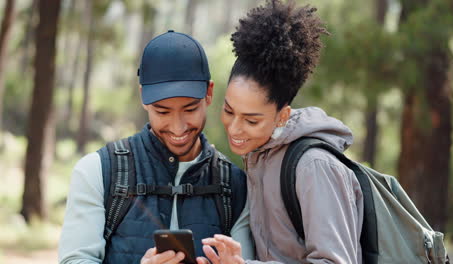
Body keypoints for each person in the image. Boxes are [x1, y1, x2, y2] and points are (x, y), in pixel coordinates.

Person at [58, 30, 254, 264]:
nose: (178, 127)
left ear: (209, 93)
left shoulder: (236, 185)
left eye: (190, 109)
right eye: (162, 112)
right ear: (143, 98)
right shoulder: (98, 172)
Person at [199, 1, 364, 263]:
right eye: (229, 111)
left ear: (282, 116)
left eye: (251, 121)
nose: (234, 128)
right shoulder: (259, 156)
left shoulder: (315, 167)